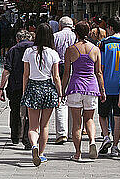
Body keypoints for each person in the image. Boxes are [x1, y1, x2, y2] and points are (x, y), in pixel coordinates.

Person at [62, 21, 105, 161]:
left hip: (75, 87)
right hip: (91, 88)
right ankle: (92, 141)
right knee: (90, 119)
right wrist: (102, 90)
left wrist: (62, 90)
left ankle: (77, 153)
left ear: (76, 33)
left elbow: (67, 73)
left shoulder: (71, 49)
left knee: (76, 123)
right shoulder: (95, 49)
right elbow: (98, 73)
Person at [21, 23, 62, 166]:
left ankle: (34, 146)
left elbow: (25, 74)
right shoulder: (53, 54)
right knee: (44, 125)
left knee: (33, 126)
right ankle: (42, 154)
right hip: (48, 89)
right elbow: (56, 77)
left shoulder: (28, 52)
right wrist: (60, 93)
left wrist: (24, 91)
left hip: (33, 88)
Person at [0, 29, 33, 149]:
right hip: (31, 85)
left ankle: (15, 136)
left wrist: (1, 88)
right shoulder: (35, 49)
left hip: (15, 86)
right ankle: (27, 139)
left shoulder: (13, 50)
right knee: (30, 112)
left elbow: (7, 71)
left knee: (15, 110)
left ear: (17, 39)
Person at [98, 17, 120, 157]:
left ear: (110, 28)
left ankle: (106, 136)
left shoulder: (104, 43)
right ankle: (115, 146)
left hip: (106, 84)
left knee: (102, 115)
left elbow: (100, 66)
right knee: (118, 116)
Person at [52, 16, 76, 144]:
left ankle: (61, 133)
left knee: (60, 98)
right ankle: (73, 132)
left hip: (59, 67)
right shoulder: (75, 37)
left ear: (60, 26)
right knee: (72, 99)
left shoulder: (55, 36)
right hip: (73, 67)